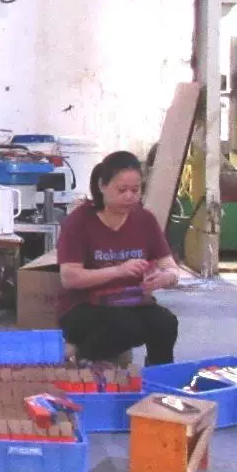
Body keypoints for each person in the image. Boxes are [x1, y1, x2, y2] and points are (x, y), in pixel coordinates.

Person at [57, 150, 180, 364]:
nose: (129, 196)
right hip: (85, 305)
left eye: (135, 190)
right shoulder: (79, 221)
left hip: (131, 300)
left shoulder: (145, 220)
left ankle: (158, 377)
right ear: (102, 185)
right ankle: (78, 354)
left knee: (165, 323)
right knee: (126, 326)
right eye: (122, 190)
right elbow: (69, 278)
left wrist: (165, 277)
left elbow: (171, 268)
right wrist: (119, 271)